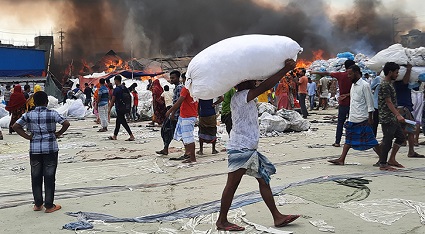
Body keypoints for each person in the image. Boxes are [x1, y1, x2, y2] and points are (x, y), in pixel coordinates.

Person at [216, 59, 300, 231]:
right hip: (241, 148)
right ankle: (222, 221)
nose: (255, 82)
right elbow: (266, 85)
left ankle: (277, 216)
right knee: (232, 185)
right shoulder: (241, 96)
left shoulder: (241, 96)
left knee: (264, 180)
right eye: (251, 80)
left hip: (248, 148)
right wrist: (285, 69)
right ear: (242, 83)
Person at [12, 91, 70, 213]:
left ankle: (38, 204)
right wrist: (58, 133)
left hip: (35, 149)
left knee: (35, 176)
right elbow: (66, 123)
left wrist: (27, 137)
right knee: (49, 176)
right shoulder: (52, 113)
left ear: (34, 102)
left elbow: (15, 126)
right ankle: (49, 205)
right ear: (46, 102)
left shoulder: (29, 115)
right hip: (50, 148)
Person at [327, 65, 381, 165]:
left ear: (356, 73)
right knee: (348, 140)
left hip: (363, 119)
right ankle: (341, 159)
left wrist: (370, 117)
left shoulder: (365, 85)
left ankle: (383, 159)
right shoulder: (353, 85)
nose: (348, 76)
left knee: (372, 141)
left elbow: (370, 103)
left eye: (350, 74)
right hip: (353, 117)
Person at [311, 60, 356, 147]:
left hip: (343, 102)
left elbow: (327, 73)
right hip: (353, 103)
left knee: (340, 122)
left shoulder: (340, 75)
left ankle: (337, 142)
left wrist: (314, 71)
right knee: (352, 122)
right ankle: (351, 141)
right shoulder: (355, 77)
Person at [378, 62, 407, 171]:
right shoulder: (385, 84)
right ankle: (383, 164)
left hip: (392, 117)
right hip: (387, 117)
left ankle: (392, 159)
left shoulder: (390, 84)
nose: (397, 74)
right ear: (390, 72)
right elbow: (388, 102)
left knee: (401, 137)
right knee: (387, 140)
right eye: (396, 72)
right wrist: (398, 114)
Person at [393, 64, 424, 158]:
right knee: (397, 131)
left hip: (406, 107)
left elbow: (413, 84)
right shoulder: (398, 83)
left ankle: (411, 151)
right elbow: (406, 81)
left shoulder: (400, 83)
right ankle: (384, 150)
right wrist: (409, 69)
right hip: (402, 108)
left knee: (410, 130)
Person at [165, 80, 198, 163]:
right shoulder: (195, 88)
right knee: (185, 137)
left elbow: (179, 102)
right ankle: (189, 154)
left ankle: (192, 158)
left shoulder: (186, 89)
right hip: (187, 115)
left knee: (189, 138)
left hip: (187, 116)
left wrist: (170, 111)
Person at [156, 70, 182, 156]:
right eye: (171, 78)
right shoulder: (176, 88)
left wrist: (172, 112)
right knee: (167, 131)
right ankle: (165, 148)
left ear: (178, 78)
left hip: (176, 114)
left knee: (172, 131)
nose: (171, 80)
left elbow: (178, 103)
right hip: (174, 113)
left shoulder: (179, 88)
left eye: (173, 78)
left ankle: (189, 150)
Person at [108, 75, 135, 141]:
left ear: (116, 80)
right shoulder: (124, 87)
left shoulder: (116, 89)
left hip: (119, 107)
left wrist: (109, 109)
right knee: (118, 121)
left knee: (123, 121)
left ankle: (131, 135)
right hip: (125, 107)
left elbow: (113, 100)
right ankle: (115, 136)